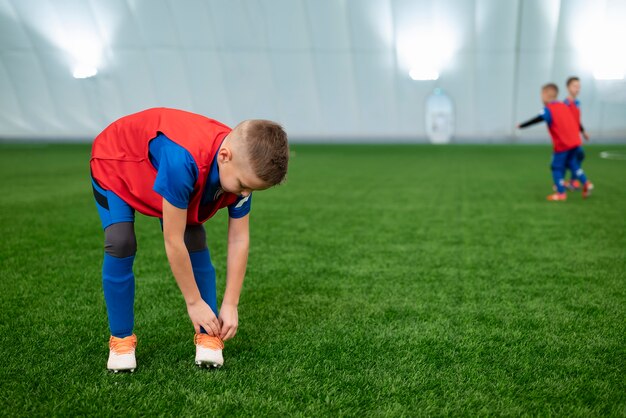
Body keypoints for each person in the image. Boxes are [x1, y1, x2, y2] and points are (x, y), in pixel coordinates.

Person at [90, 108, 289, 371]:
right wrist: (193, 302)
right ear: (225, 156)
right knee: (120, 241)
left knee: (193, 234)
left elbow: (239, 239)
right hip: (117, 161)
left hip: (165, 168)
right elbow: (172, 240)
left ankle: (208, 334)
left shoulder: (242, 166)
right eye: (242, 185)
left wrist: (231, 303)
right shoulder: (182, 161)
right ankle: (121, 338)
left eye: (252, 189)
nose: (245, 193)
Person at [517, 83, 593, 201]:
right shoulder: (564, 106)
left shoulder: (549, 109)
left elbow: (538, 119)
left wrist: (522, 125)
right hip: (575, 142)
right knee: (572, 164)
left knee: (556, 167)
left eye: (541, 94)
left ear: (546, 94)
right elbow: (576, 121)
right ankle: (586, 183)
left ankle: (561, 193)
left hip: (563, 144)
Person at [563, 76, 590, 190]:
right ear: (568, 87)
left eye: (579, 87)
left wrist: (583, 131)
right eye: (575, 86)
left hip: (576, 138)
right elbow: (563, 122)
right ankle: (562, 182)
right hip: (568, 139)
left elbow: (576, 121)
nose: (577, 89)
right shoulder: (565, 104)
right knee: (568, 159)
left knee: (578, 157)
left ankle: (571, 181)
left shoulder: (577, 102)